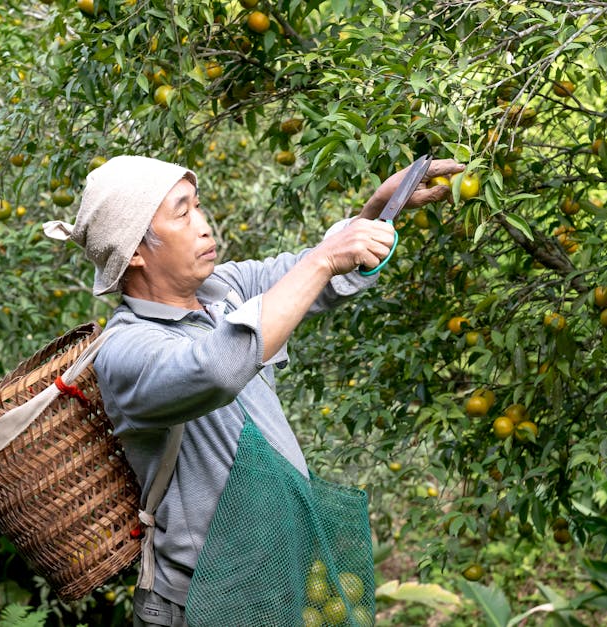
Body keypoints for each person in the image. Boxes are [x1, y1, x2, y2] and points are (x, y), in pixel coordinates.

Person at [44, 154, 462, 626]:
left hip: (278, 585)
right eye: (183, 213)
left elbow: (320, 277)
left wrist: (379, 209)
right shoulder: (126, 350)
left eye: (198, 207)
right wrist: (326, 257)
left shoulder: (225, 291)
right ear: (135, 251)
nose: (204, 226)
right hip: (204, 604)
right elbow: (219, 367)